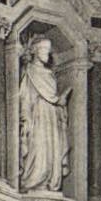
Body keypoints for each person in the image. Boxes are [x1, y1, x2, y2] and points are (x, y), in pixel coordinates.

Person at [18, 35, 70, 191]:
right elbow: (25, 97)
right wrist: (25, 119)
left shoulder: (50, 75)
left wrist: (61, 105)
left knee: (52, 150)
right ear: (34, 50)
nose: (47, 54)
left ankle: (50, 181)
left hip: (52, 117)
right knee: (38, 148)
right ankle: (34, 180)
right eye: (43, 50)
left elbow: (55, 100)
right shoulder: (29, 71)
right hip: (37, 116)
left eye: (48, 50)